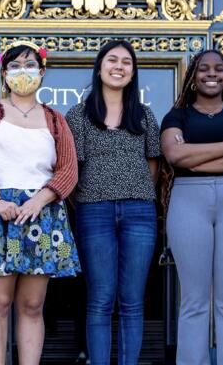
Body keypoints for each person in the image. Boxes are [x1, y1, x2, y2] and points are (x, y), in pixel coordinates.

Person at [0, 41, 80, 365]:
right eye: (15, 66)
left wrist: (39, 200)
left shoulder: (55, 119)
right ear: (4, 73)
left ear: (42, 72)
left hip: (40, 215)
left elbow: (68, 169)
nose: (22, 72)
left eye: (29, 65)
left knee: (31, 305)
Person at [160, 50, 223, 365]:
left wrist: (198, 159)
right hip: (188, 201)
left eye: (219, 69)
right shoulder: (176, 116)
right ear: (192, 75)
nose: (211, 74)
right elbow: (175, 157)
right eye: (203, 68)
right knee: (194, 299)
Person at [65, 40, 160, 365]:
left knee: (133, 300)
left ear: (133, 72)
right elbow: (70, 172)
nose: (119, 66)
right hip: (94, 213)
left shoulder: (144, 115)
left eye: (126, 62)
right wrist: (91, 202)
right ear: (100, 66)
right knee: (100, 299)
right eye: (112, 60)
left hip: (140, 213)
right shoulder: (78, 115)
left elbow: (153, 165)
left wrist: (135, 192)